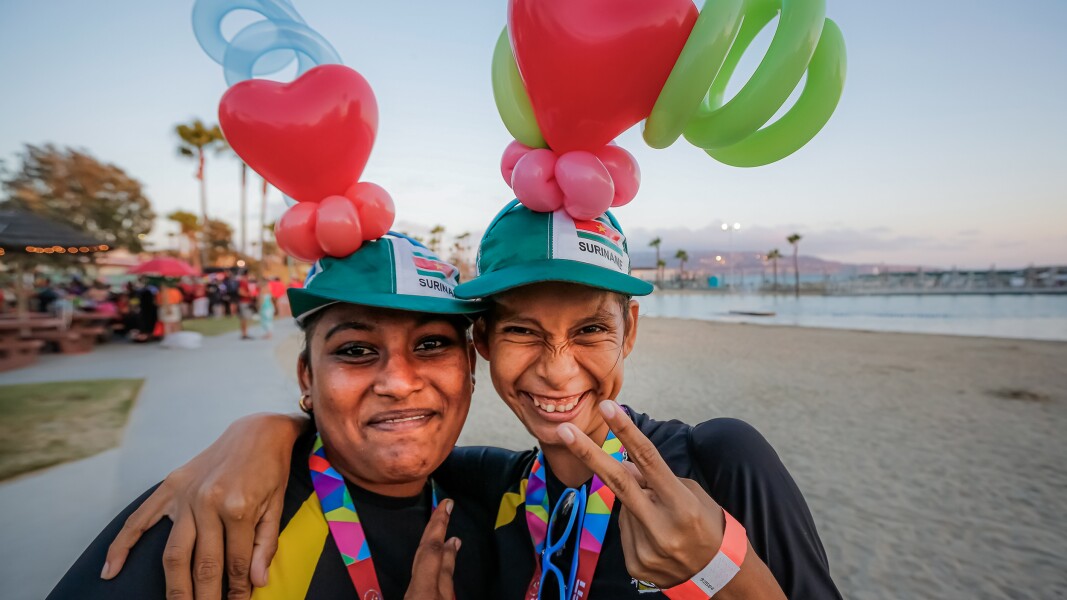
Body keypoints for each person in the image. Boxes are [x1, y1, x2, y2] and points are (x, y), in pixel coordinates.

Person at [104, 203, 840, 600]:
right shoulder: (489, 487)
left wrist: (718, 571)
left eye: (589, 329)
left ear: (630, 330)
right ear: (483, 342)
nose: (556, 371)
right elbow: (374, 453)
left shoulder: (719, 458)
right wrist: (265, 431)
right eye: (523, 332)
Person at [48, 236, 492, 600]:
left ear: (470, 366)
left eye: (431, 344)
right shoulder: (221, 509)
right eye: (356, 350)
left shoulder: (501, 498)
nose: (397, 382)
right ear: (307, 378)